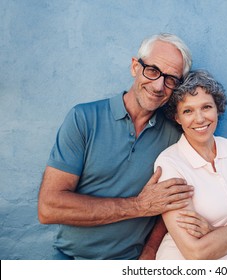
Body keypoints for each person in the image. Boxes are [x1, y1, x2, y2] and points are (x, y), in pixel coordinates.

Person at [38, 33, 207, 260]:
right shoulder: (84, 119)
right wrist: (139, 206)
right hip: (69, 259)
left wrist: (150, 250)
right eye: (153, 71)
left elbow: (173, 201)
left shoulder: (175, 136)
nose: (158, 86)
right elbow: (49, 208)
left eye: (170, 79)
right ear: (135, 67)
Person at [154, 70, 227, 259]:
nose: (199, 119)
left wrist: (212, 232)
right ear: (177, 117)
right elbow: (196, 252)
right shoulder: (170, 163)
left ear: (217, 108)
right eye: (188, 111)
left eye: (206, 107)